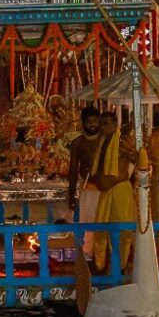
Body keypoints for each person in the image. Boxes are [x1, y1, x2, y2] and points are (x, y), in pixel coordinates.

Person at [91, 110, 136, 274]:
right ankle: (101, 266)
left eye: (106, 124)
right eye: (100, 124)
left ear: (114, 125)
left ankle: (120, 267)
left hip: (120, 191)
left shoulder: (122, 141)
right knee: (102, 230)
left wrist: (121, 177)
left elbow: (138, 159)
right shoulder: (102, 142)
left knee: (123, 230)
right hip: (106, 193)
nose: (102, 128)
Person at [66, 105, 103, 255]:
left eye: (95, 121)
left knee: (104, 223)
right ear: (82, 123)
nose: (92, 125)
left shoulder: (105, 140)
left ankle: (103, 256)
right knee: (88, 223)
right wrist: (71, 194)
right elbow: (73, 170)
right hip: (88, 189)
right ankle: (89, 254)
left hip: (105, 188)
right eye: (89, 121)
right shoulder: (78, 143)